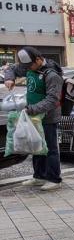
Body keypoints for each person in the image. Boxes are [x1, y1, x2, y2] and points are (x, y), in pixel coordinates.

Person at [3, 47, 64, 191]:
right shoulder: (29, 67)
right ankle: (39, 176)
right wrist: (10, 78)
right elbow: (11, 69)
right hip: (33, 116)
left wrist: (32, 109)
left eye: (30, 66)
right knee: (36, 146)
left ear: (38, 59)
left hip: (48, 117)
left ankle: (54, 179)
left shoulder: (51, 74)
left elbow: (52, 99)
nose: (27, 69)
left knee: (49, 148)